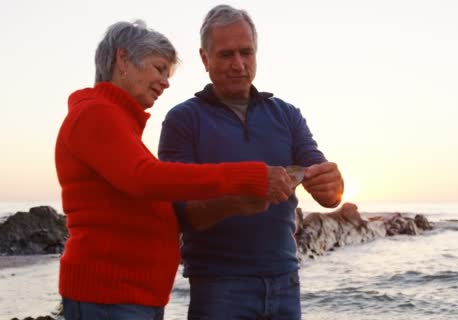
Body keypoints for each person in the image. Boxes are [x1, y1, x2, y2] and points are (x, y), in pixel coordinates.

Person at [54, 20, 293, 320]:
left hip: (129, 295)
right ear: (123, 59)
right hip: (109, 296)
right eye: (158, 69)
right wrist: (247, 177)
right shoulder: (94, 113)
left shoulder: (115, 120)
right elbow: (145, 177)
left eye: (167, 73)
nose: (165, 82)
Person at [158, 5, 344, 319]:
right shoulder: (183, 121)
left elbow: (326, 192)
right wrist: (237, 200)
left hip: (285, 279)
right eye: (226, 54)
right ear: (204, 58)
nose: (239, 64)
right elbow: (179, 215)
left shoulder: (286, 114)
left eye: (247, 52)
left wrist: (334, 184)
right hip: (218, 287)